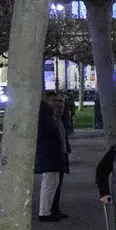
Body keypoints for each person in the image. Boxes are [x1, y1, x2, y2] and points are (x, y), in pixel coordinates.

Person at [35, 91, 70, 222]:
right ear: (48, 100)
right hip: (49, 154)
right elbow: (47, 134)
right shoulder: (45, 115)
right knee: (49, 183)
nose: (56, 103)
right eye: (54, 100)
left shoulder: (50, 115)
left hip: (54, 153)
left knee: (53, 182)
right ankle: (44, 212)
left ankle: (49, 209)